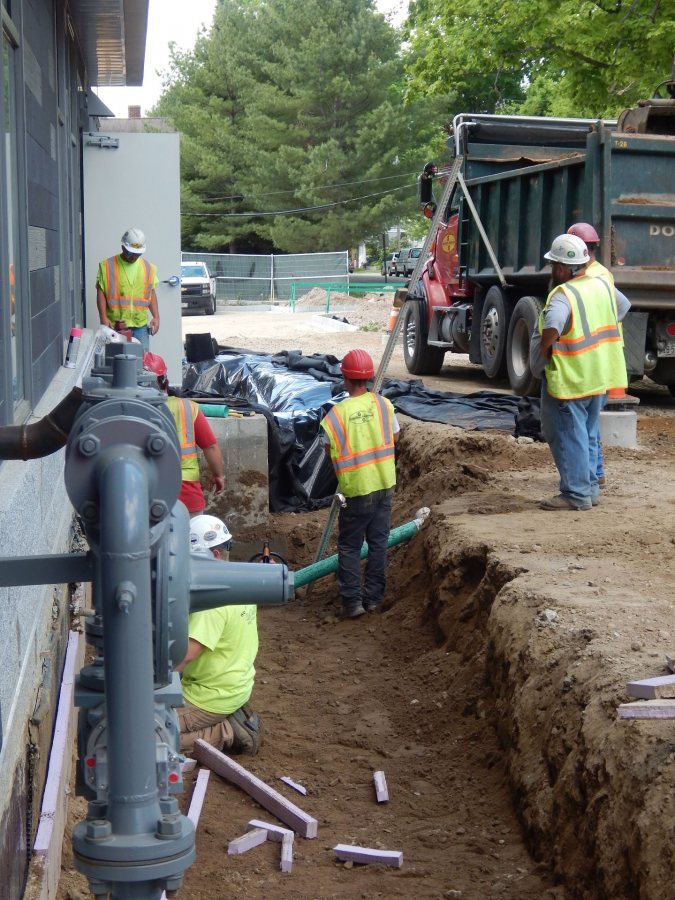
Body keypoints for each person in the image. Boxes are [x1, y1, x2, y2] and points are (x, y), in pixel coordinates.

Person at [529, 234, 627, 511]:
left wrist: (547, 347)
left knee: (566, 434)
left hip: (570, 378)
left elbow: (554, 324)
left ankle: (576, 494)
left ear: (561, 268)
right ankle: (591, 489)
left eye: (553, 266)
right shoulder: (601, 284)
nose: (552, 271)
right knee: (587, 432)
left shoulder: (564, 294)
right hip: (599, 374)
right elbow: (623, 307)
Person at [320, 348, 400, 618]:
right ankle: (374, 599)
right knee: (378, 544)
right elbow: (395, 437)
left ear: (345, 377)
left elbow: (325, 448)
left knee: (350, 547)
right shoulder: (383, 405)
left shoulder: (336, 415)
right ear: (368, 377)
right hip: (385, 484)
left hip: (356, 491)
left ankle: (353, 603)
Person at [176, 515, 261, 755]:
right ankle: (232, 714)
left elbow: (183, 657)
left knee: (150, 735)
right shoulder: (239, 583)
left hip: (209, 696)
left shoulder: (212, 602)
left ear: (214, 556)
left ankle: (229, 732)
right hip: (234, 684)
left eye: (191, 559)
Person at [567, 222, 631, 488]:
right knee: (590, 422)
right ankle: (596, 473)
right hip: (603, 353)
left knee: (585, 424)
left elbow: (621, 305)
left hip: (594, 357)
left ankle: (592, 476)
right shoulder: (599, 271)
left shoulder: (592, 277)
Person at [144, 352, 225, 515]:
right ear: (165, 382)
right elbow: (210, 447)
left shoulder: (129, 410)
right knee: (190, 539)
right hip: (186, 491)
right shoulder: (187, 408)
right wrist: (219, 475)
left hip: (145, 491)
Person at [96, 228, 159, 351]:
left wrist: (156, 316)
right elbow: (101, 292)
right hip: (115, 325)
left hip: (140, 326)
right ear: (123, 247)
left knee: (141, 362)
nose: (133, 257)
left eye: (137, 254)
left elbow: (151, 293)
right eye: (130, 253)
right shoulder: (107, 266)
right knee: (116, 362)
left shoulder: (149, 268)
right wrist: (103, 316)